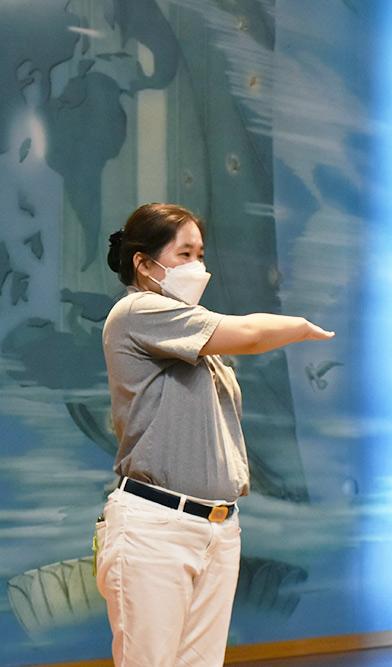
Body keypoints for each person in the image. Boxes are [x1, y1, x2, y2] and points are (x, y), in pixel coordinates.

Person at [95, 203, 334, 667]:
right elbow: (249, 333)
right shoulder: (138, 310)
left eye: (201, 254)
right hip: (158, 526)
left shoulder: (193, 332)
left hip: (217, 527)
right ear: (144, 263)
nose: (197, 267)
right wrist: (301, 326)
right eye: (184, 254)